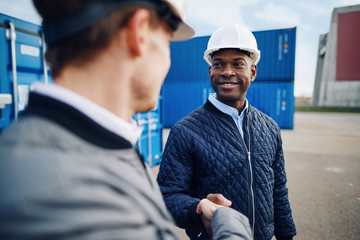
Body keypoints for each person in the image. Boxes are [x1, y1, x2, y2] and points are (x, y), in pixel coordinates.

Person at [0, 1, 253, 239]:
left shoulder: (98, 145)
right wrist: (233, 230)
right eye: (167, 41)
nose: (167, 59)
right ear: (139, 32)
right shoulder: (66, 194)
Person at [157, 23, 297, 240]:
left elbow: (278, 190)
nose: (227, 72)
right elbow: (166, 196)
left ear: (252, 72)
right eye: (219, 64)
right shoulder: (185, 131)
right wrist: (198, 207)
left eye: (238, 64)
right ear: (210, 71)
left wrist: (286, 235)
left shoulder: (270, 127)